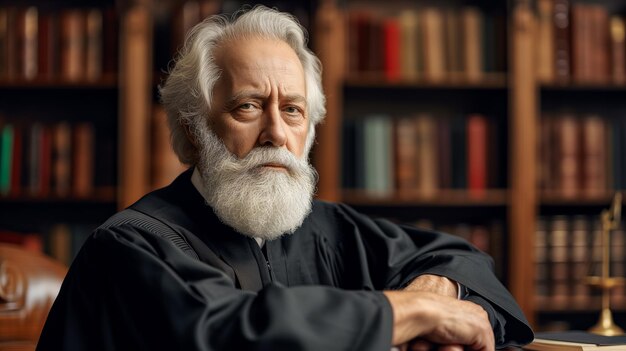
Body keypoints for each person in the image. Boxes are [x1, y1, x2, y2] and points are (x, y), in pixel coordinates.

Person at [37, 6, 533, 351]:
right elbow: (226, 335)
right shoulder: (131, 247)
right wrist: (410, 314)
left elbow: (459, 258)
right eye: (248, 106)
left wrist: (438, 291)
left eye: (292, 110)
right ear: (193, 133)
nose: (276, 132)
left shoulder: (326, 230)